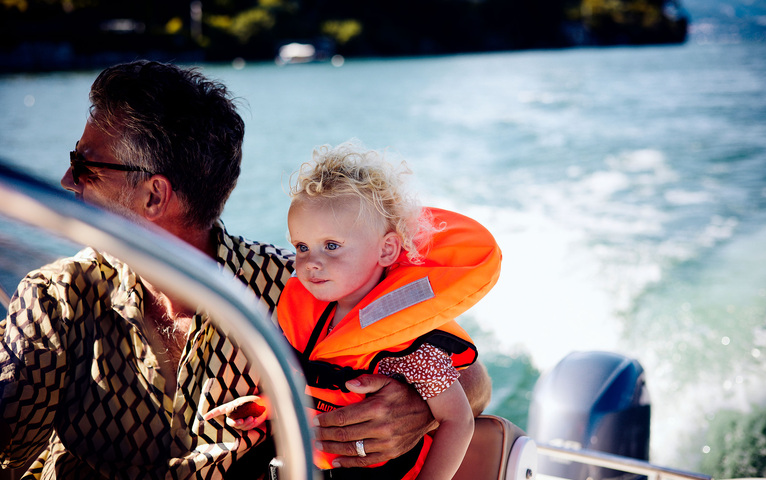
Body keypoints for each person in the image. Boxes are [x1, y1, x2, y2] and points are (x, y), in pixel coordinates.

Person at [0, 61, 492, 479]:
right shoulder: (53, 300)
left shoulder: (302, 288)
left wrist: (415, 406)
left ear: (154, 194)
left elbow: (472, 380)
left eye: (86, 165)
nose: (66, 180)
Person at [207, 141, 502, 479]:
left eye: (332, 246)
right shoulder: (310, 317)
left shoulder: (409, 343)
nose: (311, 262)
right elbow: (319, 390)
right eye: (302, 246)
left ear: (387, 249)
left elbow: (457, 420)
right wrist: (267, 407)